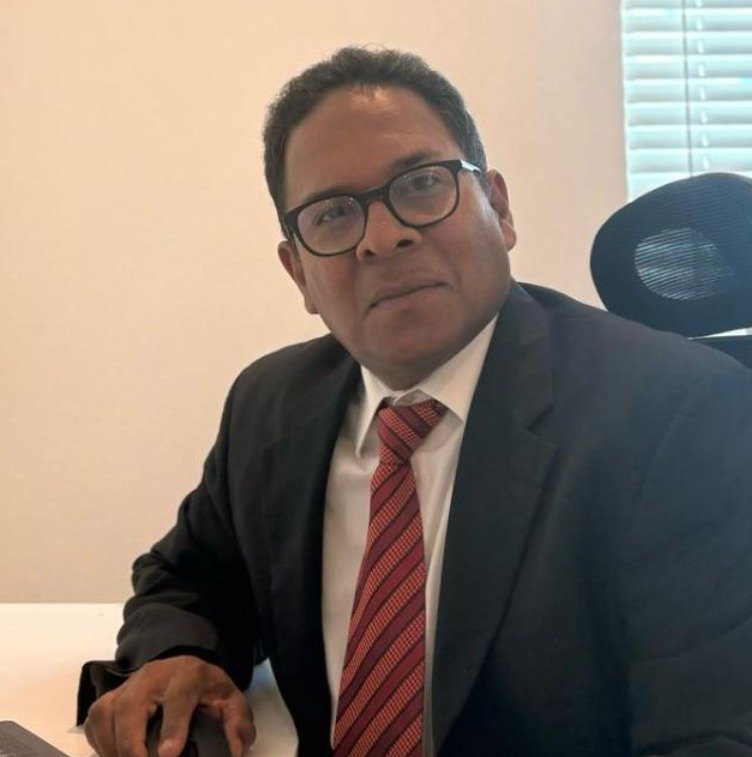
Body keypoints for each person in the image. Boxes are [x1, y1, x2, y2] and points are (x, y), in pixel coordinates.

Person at [81, 47, 752, 756]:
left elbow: (714, 732)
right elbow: (188, 577)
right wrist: (180, 654)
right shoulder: (270, 404)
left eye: (423, 183)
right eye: (332, 214)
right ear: (298, 272)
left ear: (499, 207)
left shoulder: (677, 413)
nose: (383, 236)